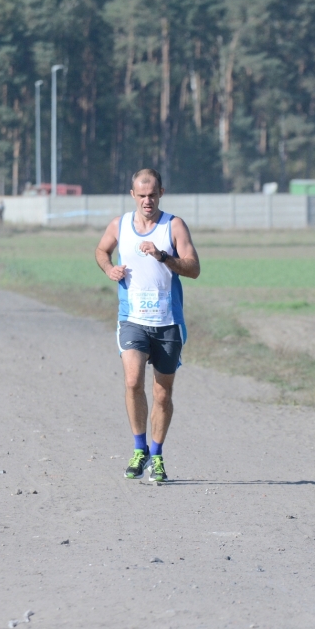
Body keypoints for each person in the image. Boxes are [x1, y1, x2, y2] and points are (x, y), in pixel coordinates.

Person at [94, 168, 201, 483]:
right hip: (132, 320)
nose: (147, 201)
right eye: (141, 195)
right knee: (132, 382)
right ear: (132, 195)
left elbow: (194, 268)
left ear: (161, 193)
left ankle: (157, 455)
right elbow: (101, 250)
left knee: (162, 393)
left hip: (168, 323)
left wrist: (163, 256)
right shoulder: (120, 225)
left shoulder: (174, 226)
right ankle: (139, 449)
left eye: (152, 195)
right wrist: (109, 268)